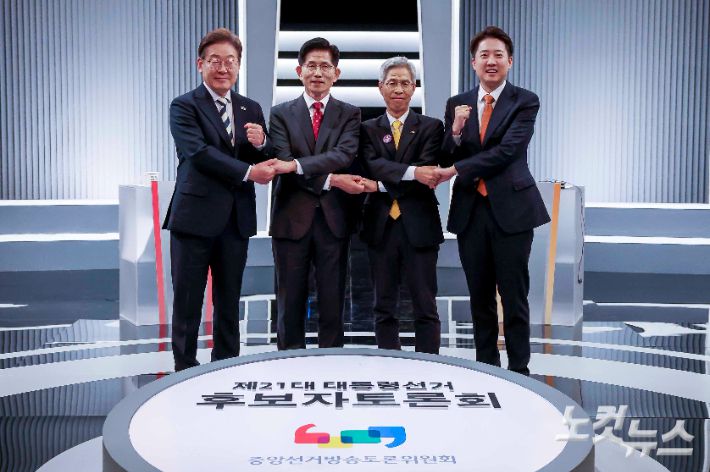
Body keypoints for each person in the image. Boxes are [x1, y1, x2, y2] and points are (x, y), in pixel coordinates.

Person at [436, 26, 550, 375]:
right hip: (471, 211)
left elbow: (507, 151)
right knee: (479, 295)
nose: (491, 61)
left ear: (509, 61)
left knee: (514, 295)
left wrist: (457, 169)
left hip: (512, 210)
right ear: (473, 62)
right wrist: (455, 130)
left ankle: (519, 370)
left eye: (498, 55)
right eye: (484, 55)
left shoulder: (524, 100)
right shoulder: (457, 104)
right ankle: (487, 367)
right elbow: (444, 154)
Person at [163, 28, 275, 371]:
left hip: (235, 219)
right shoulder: (184, 105)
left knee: (229, 300)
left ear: (238, 66)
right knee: (188, 301)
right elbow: (198, 153)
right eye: (215, 60)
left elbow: (264, 154)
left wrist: (261, 144)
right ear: (201, 64)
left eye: (231, 61)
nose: (223, 68)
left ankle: (225, 367)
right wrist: (249, 172)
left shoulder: (250, 107)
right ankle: (184, 369)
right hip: (194, 218)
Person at [268, 37, 363, 350]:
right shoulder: (280, 113)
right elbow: (281, 160)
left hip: (334, 219)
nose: (318, 72)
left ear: (336, 73)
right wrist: (331, 180)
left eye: (325, 66)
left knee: (333, 302)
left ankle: (331, 362)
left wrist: (296, 165)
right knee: (289, 302)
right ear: (299, 71)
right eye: (311, 66)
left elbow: (343, 155)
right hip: (290, 218)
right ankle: (288, 364)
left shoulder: (350, 114)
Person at [358, 57, 443, 354]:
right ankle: (388, 361)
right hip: (380, 225)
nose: (398, 89)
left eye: (405, 83)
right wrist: (413, 173)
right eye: (392, 82)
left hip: (420, 225)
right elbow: (371, 165)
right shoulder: (366, 128)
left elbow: (428, 171)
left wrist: (380, 184)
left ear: (414, 87)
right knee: (383, 305)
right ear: (380, 87)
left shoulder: (432, 127)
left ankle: (428, 364)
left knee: (425, 304)